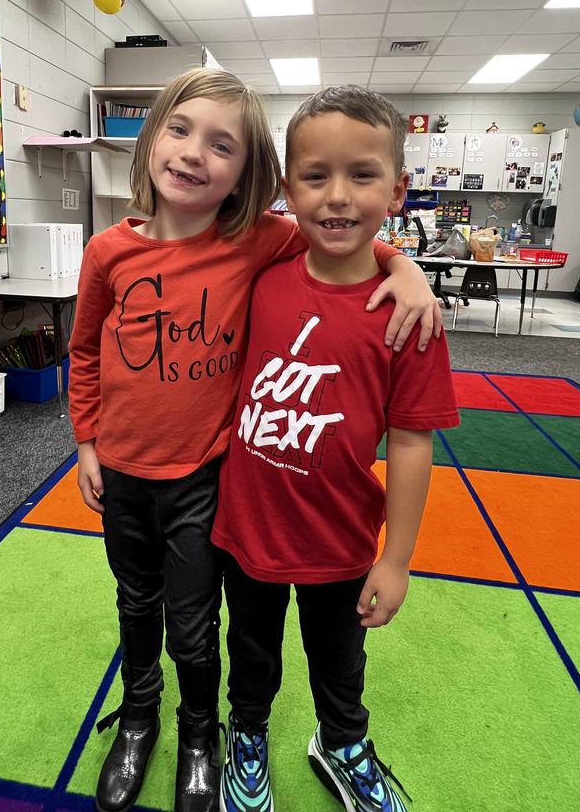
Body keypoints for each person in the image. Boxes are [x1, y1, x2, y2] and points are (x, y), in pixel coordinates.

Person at [67, 69, 442, 812]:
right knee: (141, 606)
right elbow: (82, 351)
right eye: (180, 129)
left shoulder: (255, 243)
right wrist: (86, 440)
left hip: (211, 485)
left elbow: (343, 244)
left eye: (222, 145)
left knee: (204, 626)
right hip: (139, 480)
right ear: (151, 137)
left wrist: (406, 267)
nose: (193, 153)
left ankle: (206, 735)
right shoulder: (110, 252)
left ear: (249, 175)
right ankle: (142, 717)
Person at [212, 85, 460, 812]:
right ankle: (247, 737)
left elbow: (412, 442)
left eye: (362, 175)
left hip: (342, 537)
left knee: (339, 661)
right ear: (288, 189)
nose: (338, 196)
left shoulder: (410, 317)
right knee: (249, 655)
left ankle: (341, 743)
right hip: (247, 526)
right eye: (316, 176)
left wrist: (397, 558)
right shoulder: (260, 278)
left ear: (398, 190)